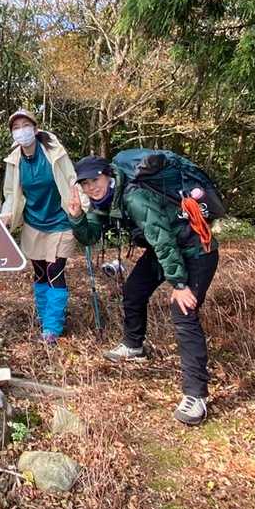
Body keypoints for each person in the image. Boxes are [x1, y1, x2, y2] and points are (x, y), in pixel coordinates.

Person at [66, 155, 221, 426]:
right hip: (167, 250)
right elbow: (90, 237)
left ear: (107, 174)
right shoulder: (105, 200)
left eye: (95, 180)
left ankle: (196, 396)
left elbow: (162, 239)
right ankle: (133, 344)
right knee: (134, 290)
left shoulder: (133, 197)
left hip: (196, 249)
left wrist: (179, 284)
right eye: (85, 184)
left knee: (183, 312)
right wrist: (77, 217)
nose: (91, 188)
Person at [0, 109, 79, 344]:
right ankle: (45, 319)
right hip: (33, 223)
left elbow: (72, 180)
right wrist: (6, 215)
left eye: (25, 125)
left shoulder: (54, 152)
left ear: (35, 129)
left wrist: (82, 209)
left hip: (60, 220)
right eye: (16, 127)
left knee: (55, 271)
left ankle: (52, 328)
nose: (21, 130)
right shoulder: (14, 161)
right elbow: (11, 193)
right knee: (41, 273)